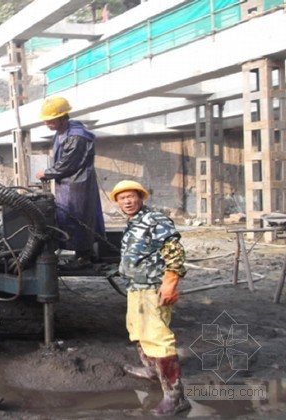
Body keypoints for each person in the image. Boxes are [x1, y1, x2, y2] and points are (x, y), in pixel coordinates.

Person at [110, 179, 190, 416]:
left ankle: (175, 397)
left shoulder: (154, 219)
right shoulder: (133, 222)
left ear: (141, 197)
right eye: (122, 198)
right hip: (137, 286)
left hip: (153, 287)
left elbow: (174, 250)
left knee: (158, 337)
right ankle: (152, 370)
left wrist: (170, 284)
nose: (127, 201)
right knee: (136, 330)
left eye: (131, 196)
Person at [35, 97, 105, 268]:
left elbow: (69, 163)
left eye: (50, 119)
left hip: (77, 184)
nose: (47, 123)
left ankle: (84, 257)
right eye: (46, 119)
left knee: (78, 216)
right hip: (68, 183)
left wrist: (47, 173)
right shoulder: (61, 132)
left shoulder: (76, 136)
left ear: (62, 117)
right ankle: (81, 253)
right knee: (67, 216)